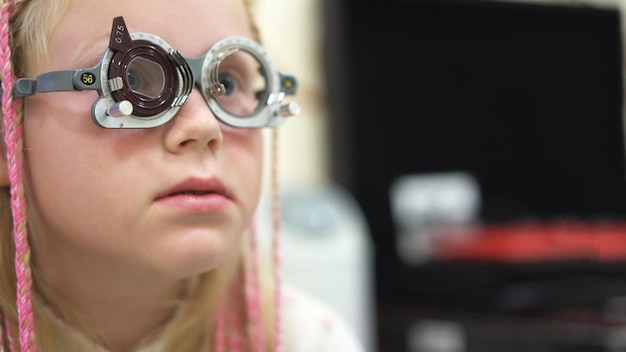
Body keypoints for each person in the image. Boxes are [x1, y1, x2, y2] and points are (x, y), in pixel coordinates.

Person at [0, 0, 365, 351]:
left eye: (227, 82)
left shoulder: (302, 341)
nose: (206, 127)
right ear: (7, 134)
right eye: (134, 78)